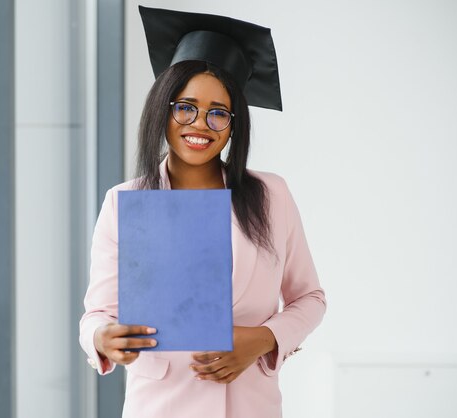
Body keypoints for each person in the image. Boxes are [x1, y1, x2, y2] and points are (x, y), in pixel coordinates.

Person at [79, 6, 326, 418]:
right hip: (160, 406)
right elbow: (98, 314)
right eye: (185, 107)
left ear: (233, 125)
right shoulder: (124, 201)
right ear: (164, 108)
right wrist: (103, 338)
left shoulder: (271, 195)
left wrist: (264, 337)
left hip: (251, 406)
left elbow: (310, 298)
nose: (200, 124)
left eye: (218, 113)